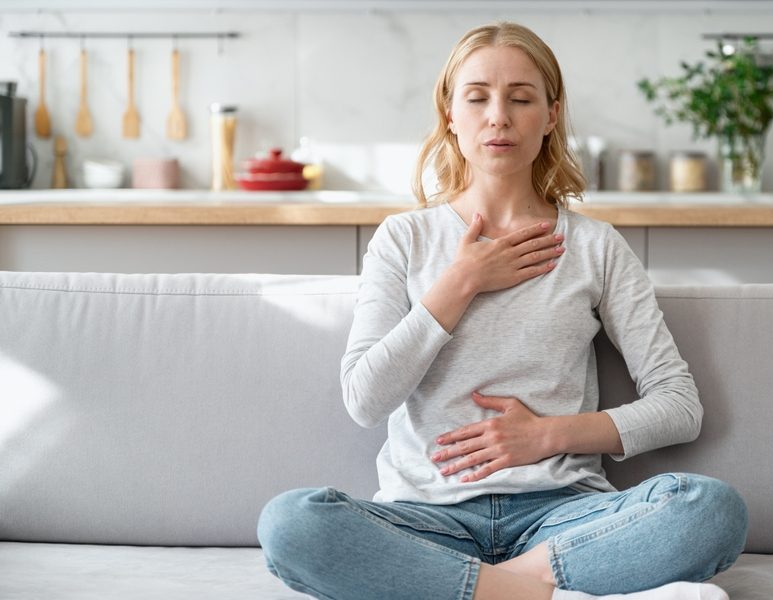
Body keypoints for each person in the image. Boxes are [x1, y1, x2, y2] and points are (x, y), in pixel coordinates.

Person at [258, 21, 747, 600]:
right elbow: (364, 399)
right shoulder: (403, 239)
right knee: (291, 523)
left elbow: (678, 406)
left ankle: (488, 589)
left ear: (551, 115)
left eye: (521, 99)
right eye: (478, 97)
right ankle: (539, 593)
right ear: (449, 113)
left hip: (561, 520)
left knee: (711, 510)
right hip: (427, 520)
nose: (499, 116)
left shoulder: (595, 247)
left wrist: (546, 436)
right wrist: (459, 283)